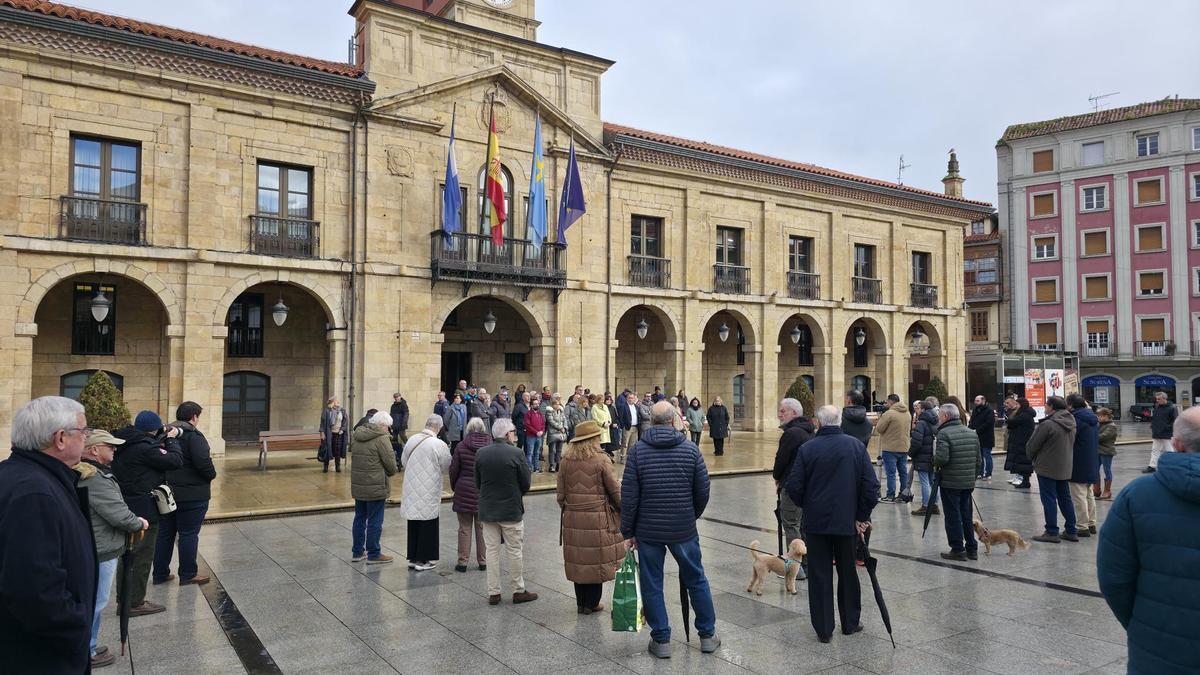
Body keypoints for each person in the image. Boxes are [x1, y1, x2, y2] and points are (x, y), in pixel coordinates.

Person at [1097, 406, 1200, 674]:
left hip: (1159, 648)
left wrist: (1146, 623)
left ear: (1176, 444)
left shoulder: (1137, 494)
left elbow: (1114, 578)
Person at [0, 396, 98, 672]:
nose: (87, 438)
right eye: (83, 431)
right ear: (61, 439)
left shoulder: (27, 477)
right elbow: (34, 591)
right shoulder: (33, 493)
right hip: (41, 657)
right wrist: (76, 631)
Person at [622, 401, 719, 658]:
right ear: (675, 419)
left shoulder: (638, 452)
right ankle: (707, 635)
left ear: (651, 421)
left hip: (648, 530)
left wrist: (627, 532)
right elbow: (703, 491)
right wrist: (690, 515)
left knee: (652, 582)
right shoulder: (690, 450)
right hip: (682, 528)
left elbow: (629, 496)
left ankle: (661, 639)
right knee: (696, 578)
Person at [786, 405, 878, 643]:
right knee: (848, 571)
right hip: (846, 522)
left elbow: (794, 487)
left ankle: (824, 629)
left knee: (819, 574)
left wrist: (809, 504)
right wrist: (861, 516)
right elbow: (871, 487)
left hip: (816, 523)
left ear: (818, 423)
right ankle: (850, 623)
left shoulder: (808, 448)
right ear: (839, 422)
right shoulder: (856, 447)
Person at [78, 430, 149, 669]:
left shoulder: (89, 472)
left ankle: (89, 644)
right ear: (94, 449)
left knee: (92, 601)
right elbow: (116, 513)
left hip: (93, 544)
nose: (115, 450)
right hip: (101, 547)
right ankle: (85, 650)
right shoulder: (95, 477)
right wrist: (138, 522)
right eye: (110, 446)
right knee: (95, 602)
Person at [113, 410, 183, 616]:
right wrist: (171, 441)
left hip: (128, 504)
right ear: (155, 429)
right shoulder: (144, 448)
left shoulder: (125, 442)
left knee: (128, 554)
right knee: (141, 555)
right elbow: (175, 461)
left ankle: (125, 598)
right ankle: (134, 602)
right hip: (144, 509)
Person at [557, 420, 625, 614]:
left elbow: (560, 496)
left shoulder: (565, 461)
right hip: (597, 518)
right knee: (595, 560)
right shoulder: (601, 460)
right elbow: (615, 491)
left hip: (572, 517)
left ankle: (581, 603)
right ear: (593, 439)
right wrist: (623, 510)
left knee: (579, 560)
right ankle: (592, 603)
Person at [475, 418, 538, 605]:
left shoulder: (481, 453)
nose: (515, 435)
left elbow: (477, 482)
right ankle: (518, 590)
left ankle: (493, 592)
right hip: (511, 509)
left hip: (488, 509)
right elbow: (526, 483)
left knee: (492, 551)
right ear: (507, 434)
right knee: (514, 550)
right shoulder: (516, 453)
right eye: (513, 432)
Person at [154, 401, 216, 587]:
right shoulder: (193, 436)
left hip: (167, 493)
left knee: (165, 533)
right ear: (194, 417)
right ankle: (188, 574)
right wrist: (211, 474)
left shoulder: (164, 434)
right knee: (188, 533)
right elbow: (203, 462)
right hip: (192, 494)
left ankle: (160, 573)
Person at [400, 415, 452, 570]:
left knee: (414, 520)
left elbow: (404, 461)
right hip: (428, 487)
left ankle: (413, 556)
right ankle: (426, 558)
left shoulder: (412, 439)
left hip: (411, 486)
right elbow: (447, 465)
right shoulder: (438, 444)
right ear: (439, 427)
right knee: (428, 521)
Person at [932, 403, 981, 561]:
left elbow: (942, 459)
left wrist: (934, 460)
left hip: (951, 482)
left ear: (945, 416)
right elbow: (978, 461)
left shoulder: (944, 434)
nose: (938, 418)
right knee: (967, 515)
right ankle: (972, 548)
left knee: (953, 516)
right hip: (967, 482)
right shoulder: (971, 433)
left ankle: (957, 548)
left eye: (939, 415)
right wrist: (971, 478)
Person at [1026, 396, 1078, 543]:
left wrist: (1032, 456)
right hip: (1065, 466)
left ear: (1052, 407)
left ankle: (1051, 531)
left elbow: (1033, 445)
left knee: (1049, 499)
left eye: (1046, 405)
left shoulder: (1048, 424)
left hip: (1047, 466)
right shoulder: (1072, 421)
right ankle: (1071, 530)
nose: (1045, 407)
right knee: (1065, 498)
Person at [350, 410, 399, 565]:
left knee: (359, 518)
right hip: (376, 485)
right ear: (382, 425)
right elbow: (391, 465)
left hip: (359, 484)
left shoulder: (357, 435)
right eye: (388, 427)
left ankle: (357, 552)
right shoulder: (382, 439)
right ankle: (374, 553)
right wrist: (391, 472)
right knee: (375, 520)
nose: (389, 430)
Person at [772, 398, 814, 579]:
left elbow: (781, 460)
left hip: (791, 485)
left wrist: (777, 477)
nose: (780, 414)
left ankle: (794, 570)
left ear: (794, 413)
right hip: (805, 485)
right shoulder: (808, 431)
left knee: (790, 525)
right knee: (801, 524)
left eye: (783, 411)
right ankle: (806, 562)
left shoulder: (792, 434)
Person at [449, 418, 490, 573]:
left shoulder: (461, 446)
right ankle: (483, 561)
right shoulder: (490, 446)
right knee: (482, 528)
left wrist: (455, 486)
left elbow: (453, 470)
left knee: (464, 528)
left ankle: (462, 562)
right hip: (483, 492)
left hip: (464, 489)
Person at [1067, 394, 1100, 537]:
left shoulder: (1075, 419)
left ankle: (1082, 526)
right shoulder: (1092, 418)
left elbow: (1070, 438)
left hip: (1078, 460)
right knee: (1089, 494)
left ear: (1071, 405)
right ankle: (1092, 523)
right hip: (1091, 459)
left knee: (1079, 495)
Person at [909, 397, 941, 516]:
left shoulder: (921, 423)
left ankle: (926, 505)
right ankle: (935, 505)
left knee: (924, 482)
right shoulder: (936, 422)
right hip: (933, 456)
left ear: (923, 410)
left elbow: (916, 442)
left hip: (922, 456)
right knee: (932, 482)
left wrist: (911, 453)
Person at [874, 396, 910, 503]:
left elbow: (879, 429)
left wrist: (881, 418)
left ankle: (890, 495)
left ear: (890, 402)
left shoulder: (889, 414)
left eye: (886, 402)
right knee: (903, 472)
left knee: (891, 473)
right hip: (904, 447)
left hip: (890, 448)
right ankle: (904, 494)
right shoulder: (907, 413)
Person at [1003, 397, 1036, 489]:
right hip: (1019, 441)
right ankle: (1023, 480)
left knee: (1024, 462)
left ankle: (1025, 481)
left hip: (1022, 441)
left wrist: (1009, 416)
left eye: (1017, 404)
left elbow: (1011, 422)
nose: (1015, 406)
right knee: (1021, 462)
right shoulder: (1023, 413)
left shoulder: (1024, 415)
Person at [1145, 391, 1177, 473]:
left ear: (1164, 398)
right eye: (1156, 399)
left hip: (1166, 433)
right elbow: (1155, 418)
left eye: (1159, 399)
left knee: (1169, 450)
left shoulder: (1172, 408)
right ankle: (1152, 466)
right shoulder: (1157, 407)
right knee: (1155, 450)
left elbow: (1175, 421)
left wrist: (1166, 427)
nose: (1157, 401)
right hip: (1157, 432)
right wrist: (1152, 425)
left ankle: (1172, 466)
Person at [968, 395, 996, 481]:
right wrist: (970, 429)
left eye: (977, 401)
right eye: (975, 401)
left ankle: (988, 473)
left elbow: (988, 424)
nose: (975, 403)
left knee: (987, 455)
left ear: (983, 401)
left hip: (987, 437)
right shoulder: (976, 410)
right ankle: (980, 472)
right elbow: (971, 421)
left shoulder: (989, 411)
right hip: (977, 437)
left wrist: (977, 430)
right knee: (979, 456)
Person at [319, 396, 347, 473]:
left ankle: (337, 466)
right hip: (329, 434)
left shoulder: (342, 411)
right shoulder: (327, 411)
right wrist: (322, 433)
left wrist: (342, 429)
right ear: (332, 402)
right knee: (327, 449)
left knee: (337, 450)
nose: (338, 402)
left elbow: (345, 421)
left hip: (339, 434)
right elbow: (322, 423)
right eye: (336, 401)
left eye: (338, 401)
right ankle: (325, 467)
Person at [1096, 407, 1119, 500]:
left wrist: (1092, 436)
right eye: (1098, 416)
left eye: (1100, 416)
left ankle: (1107, 491)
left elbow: (1103, 437)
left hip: (1106, 451)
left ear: (1106, 416)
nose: (1098, 418)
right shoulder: (1098, 424)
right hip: (1097, 451)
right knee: (1095, 470)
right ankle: (1096, 489)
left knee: (1107, 470)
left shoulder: (1112, 426)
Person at [545, 395, 568, 473]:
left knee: (559, 450)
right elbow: (551, 422)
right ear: (553, 405)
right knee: (552, 450)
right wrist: (560, 428)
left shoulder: (561, 411)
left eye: (559, 404)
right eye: (556, 404)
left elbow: (564, 419)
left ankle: (558, 464)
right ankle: (552, 465)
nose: (558, 405)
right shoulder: (549, 411)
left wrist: (565, 427)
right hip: (553, 433)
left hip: (561, 433)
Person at [524, 401, 545, 472]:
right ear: (532, 406)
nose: (537, 405)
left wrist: (542, 431)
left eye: (538, 404)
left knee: (537, 452)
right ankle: (529, 468)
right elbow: (527, 425)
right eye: (535, 404)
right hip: (531, 436)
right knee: (530, 453)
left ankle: (536, 467)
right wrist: (536, 432)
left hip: (539, 436)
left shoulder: (540, 414)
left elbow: (543, 424)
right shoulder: (528, 414)